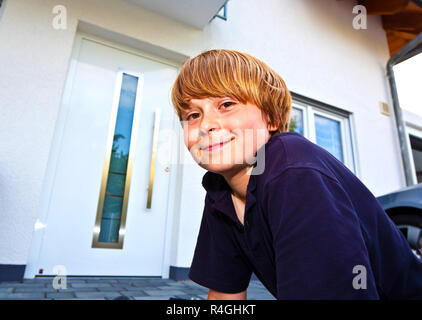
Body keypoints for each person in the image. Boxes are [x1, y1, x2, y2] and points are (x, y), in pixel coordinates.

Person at [170, 49, 422, 300]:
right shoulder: (219, 192)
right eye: (193, 115)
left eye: (226, 105)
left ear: (272, 119)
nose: (205, 125)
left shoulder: (294, 172)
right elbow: (226, 296)